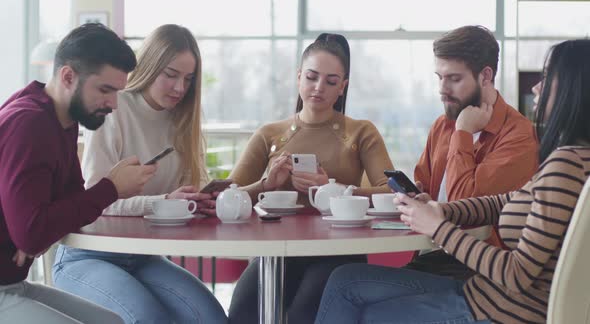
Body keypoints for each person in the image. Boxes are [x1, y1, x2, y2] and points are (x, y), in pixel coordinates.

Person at [315, 39, 590, 324]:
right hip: (484, 291)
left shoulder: (561, 163)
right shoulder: (571, 160)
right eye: (440, 78)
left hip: (498, 305)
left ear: (575, 88)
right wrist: (440, 210)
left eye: (546, 77)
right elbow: (504, 201)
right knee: (344, 279)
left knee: (366, 312)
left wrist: (437, 226)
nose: (535, 88)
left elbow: (516, 275)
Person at [52, 24, 228, 324]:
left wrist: (199, 201)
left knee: (211, 317)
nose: (179, 88)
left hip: (144, 256)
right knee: (149, 319)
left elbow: (181, 196)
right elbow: (96, 201)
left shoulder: (183, 121)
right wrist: (163, 202)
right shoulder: (112, 109)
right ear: (149, 67)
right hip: (90, 254)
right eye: (170, 75)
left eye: (188, 79)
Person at [228, 33, 394, 324]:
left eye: (331, 82)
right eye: (312, 77)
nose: (319, 88)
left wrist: (338, 190)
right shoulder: (269, 134)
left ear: (342, 87)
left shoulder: (360, 132)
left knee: (305, 314)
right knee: (243, 312)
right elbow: (230, 194)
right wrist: (266, 185)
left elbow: (390, 193)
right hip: (277, 251)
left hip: (339, 249)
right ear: (298, 77)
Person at [0, 23, 155, 324]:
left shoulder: (62, 120)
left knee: (112, 321)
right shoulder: (30, 123)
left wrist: (36, 230)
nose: (113, 104)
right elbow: (34, 233)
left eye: (118, 92)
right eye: (105, 90)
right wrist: (111, 188)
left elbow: (71, 200)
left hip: (11, 280)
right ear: (68, 76)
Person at [407, 25, 539, 280]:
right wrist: (417, 197)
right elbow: (424, 184)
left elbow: (465, 209)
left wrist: (463, 133)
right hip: (432, 256)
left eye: (454, 79)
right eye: (439, 77)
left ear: (485, 76)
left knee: (347, 285)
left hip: (477, 272)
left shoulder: (519, 136)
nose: (442, 89)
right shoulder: (442, 125)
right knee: (343, 279)